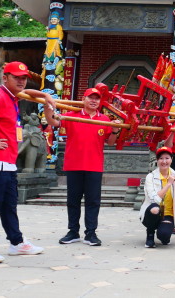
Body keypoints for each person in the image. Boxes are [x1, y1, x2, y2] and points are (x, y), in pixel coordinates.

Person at [0, 61, 55, 264]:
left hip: (7, 163)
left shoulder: (13, 97)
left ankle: (16, 242)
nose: (21, 81)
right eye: (16, 77)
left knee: (9, 205)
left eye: (24, 78)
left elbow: (29, 93)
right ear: (5, 78)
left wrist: (46, 96)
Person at [46, 87, 120, 246]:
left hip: (94, 166)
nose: (94, 101)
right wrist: (48, 107)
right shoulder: (72, 116)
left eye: (97, 98)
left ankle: (91, 233)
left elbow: (110, 143)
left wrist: (115, 131)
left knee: (93, 201)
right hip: (74, 165)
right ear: (83, 100)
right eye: (90, 97)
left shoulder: (104, 119)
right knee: (73, 201)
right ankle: (73, 232)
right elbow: (53, 122)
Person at [139, 147, 175, 248]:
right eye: (161, 158)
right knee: (155, 208)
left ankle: (164, 231)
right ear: (157, 160)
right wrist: (168, 184)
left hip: (168, 214)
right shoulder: (150, 177)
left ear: (171, 159)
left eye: (167, 158)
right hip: (151, 213)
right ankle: (150, 235)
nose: (164, 161)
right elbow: (154, 199)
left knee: (164, 237)